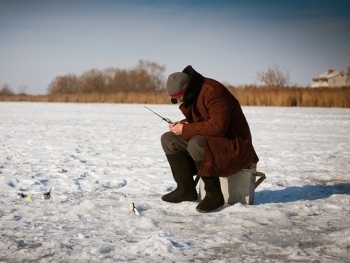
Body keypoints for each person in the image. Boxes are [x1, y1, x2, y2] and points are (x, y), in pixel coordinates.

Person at [161, 65, 259, 213]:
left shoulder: (213, 92)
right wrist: (184, 124)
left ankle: (214, 194)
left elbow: (218, 127)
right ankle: (185, 189)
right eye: (174, 100)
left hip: (234, 144)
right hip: (216, 141)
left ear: (187, 90)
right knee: (169, 139)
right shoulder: (194, 93)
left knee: (196, 143)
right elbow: (204, 121)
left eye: (178, 98)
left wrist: (186, 129)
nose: (178, 101)